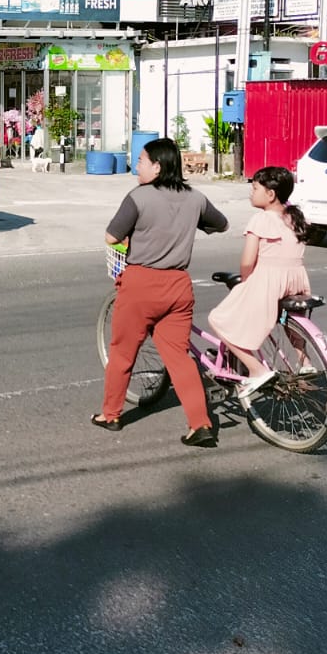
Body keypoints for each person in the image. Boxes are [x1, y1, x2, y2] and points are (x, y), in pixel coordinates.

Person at [93, 136, 229, 447]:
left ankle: (111, 414)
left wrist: (130, 243)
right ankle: (200, 425)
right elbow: (220, 225)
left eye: (140, 161)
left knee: (123, 351)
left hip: (140, 284)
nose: (136, 166)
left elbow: (112, 235)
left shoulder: (139, 197)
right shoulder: (195, 198)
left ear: (157, 166)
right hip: (178, 287)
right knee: (179, 358)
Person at [206, 166, 312, 396]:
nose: (251, 193)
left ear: (270, 194)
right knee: (287, 321)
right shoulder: (294, 216)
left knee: (218, 319)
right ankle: (304, 362)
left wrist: (245, 280)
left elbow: (247, 262)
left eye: (255, 188)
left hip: (269, 282)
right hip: (296, 279)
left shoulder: (261, 219)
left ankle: (256, 369)